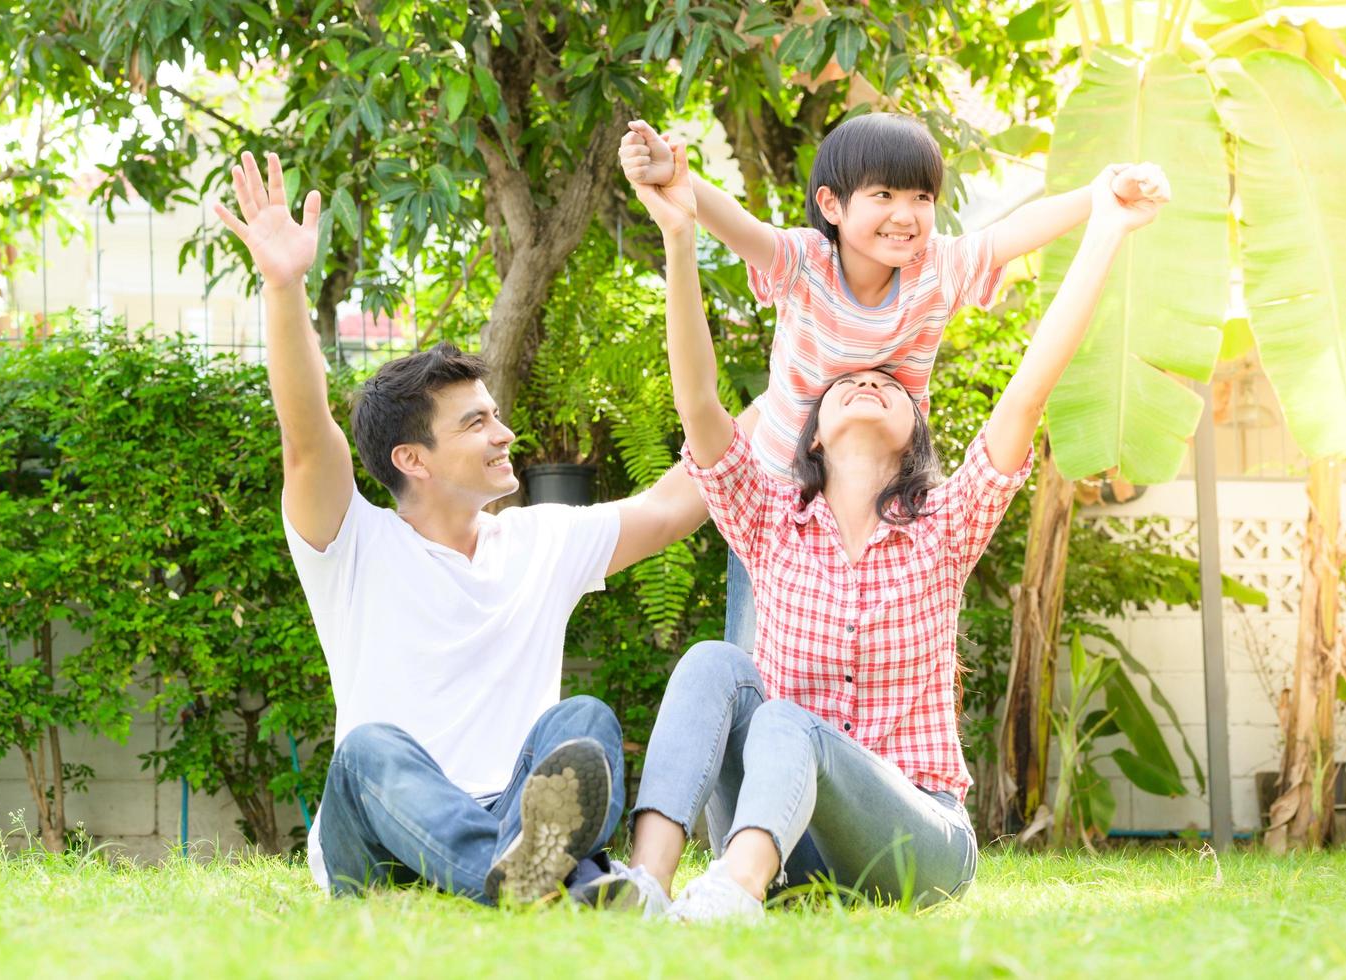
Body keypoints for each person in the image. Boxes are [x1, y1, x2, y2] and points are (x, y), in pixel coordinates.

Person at [622, 137, 1167, 920]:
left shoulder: (944, 528)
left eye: (888, 380)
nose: (869, 377)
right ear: (808, 434)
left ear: (917, 432)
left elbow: (1029, 385)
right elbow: (698, 402)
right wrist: (679, 235)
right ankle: (646, 885)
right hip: (788, 840)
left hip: (915, 842)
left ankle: (732, 892)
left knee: (785, 719)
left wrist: (1105, 224)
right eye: (847, 383)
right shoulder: (769, 524)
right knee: (717, 661)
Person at [213, 150, 707, 908]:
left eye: (495, 414)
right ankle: (530, 880)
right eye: (478, 422)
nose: (504, 433)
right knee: (368, 750)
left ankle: (529, 876)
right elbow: (305, 434)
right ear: (413, 458)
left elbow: (681, 498)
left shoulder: (541, 542)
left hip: (511, 811)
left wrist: (808, 382)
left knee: (583, 719)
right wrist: (283, 286)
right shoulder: (352, 544)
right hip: (377, 837)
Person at [619, 115, 1166, 649]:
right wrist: (679, 180)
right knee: (756, 652)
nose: (906, 215)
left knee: (874, 639)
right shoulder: (807, 262)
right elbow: (742, 228)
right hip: (781, 495)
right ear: (832, 205)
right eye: (883, 195)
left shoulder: (936, 268)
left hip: (881, 491)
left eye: (921, 198)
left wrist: (1097, 197)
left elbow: (1010, 235)